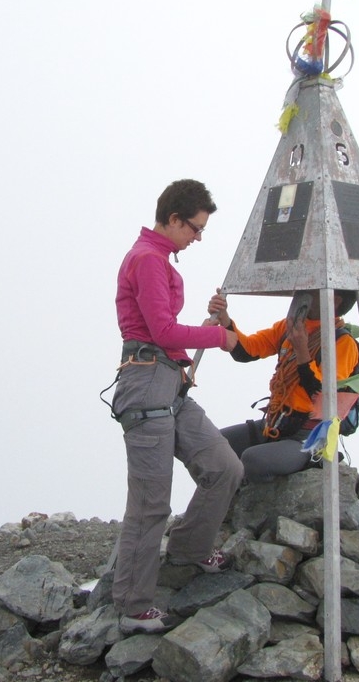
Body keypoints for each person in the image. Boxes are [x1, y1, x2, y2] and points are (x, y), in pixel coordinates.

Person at [110, 179, 244, 635]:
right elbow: (163, 331)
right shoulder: (148, 260)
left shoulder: (157, 260)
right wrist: (218, 337)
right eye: (195, 227)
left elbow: (162, 333)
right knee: (150, 504)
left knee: (224, 465)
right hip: (147, 383)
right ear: (172, 219)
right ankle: (132, 606)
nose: (198, 237)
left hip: (166, 381)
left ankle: (188, 549)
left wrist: (200, 336)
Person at [209, 289, 359, 482]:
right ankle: (226, 499)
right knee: (212, 447)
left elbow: (324, 394)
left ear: (334, 300)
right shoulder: (290, 327)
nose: (301, 293)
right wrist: (226, 320)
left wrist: (302, 350)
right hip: (276, 424)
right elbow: (247, 351)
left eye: (312, 290)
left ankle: (308, 462)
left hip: (307, 435)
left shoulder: (342, 342)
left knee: (253, 460)